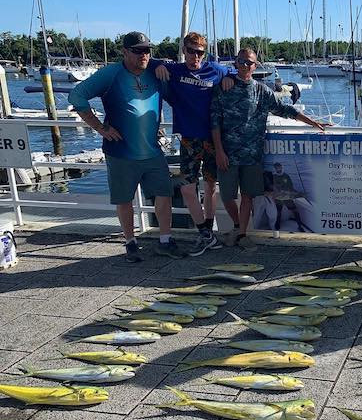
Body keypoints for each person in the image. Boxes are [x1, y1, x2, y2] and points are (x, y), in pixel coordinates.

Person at [68, 32, 186, 262]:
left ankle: (165, 240)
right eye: (138, 50)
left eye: (147, 50)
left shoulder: (155, 72)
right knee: (124, 199)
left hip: (152, 151)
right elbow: (77, 95)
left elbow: (181, 94)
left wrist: (160, 64)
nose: (144, 55)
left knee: (164, 194)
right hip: (121, 151)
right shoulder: (111, 74)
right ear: (124, 51)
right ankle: (130, 243)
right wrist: (101, 128)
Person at [210, 48, 328, 248]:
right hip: (227, 154)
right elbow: (214, 122)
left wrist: (312, 122)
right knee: (227, 196)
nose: (244, 66)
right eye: (241, 61)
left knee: (247, 196)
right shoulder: (223, 88)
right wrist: (219, 151)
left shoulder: (262, 91)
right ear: (235, 63)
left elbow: (284, 109)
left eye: (249, 63)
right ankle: (238, 225)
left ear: (255, 66)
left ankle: (242, 234)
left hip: (253, 155)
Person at [153, 32, 234, 256]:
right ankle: (206, 234)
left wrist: (231, 77)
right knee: (188, 188)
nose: (195, 56)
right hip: (189, 138)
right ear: (184, 51)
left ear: (204, 53)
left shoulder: (215, 70)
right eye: (191, 51)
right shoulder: (175, 71)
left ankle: (207, 230)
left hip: (213, 138)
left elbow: (238, 71)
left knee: (210, 187)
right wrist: (159, 64)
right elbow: (145, 61)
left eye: (199, 52)